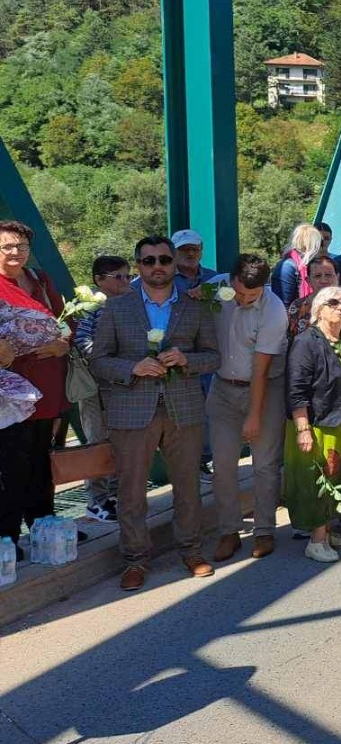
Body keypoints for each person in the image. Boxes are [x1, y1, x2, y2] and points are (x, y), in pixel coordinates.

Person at [90, 234, 220, 590]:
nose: (158, 266)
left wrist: (186, 359)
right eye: (149, 261)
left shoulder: (194, 305)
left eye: (164, 259)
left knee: (188, 486)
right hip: (132, 411)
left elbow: (213, 356)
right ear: (139, 266)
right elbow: (98, 360)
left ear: (174, 263)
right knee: (131, 491)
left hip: (184, 409)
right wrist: (132, 367)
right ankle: (135, 560)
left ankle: (191, 551)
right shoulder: (117, 307)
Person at [207, 254, 288, 564]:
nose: (242, 300)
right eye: (238, 293)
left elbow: (261, 369)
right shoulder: (215, 288)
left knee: (264, 463)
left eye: (251, 296)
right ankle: (228, 530)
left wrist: (254, 416)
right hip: (222, 388)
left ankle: (264, 530)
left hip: (264, 388)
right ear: (231, 280)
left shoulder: (274, 309)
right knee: (223, 464)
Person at [284, 286, 341, 563]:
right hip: (318, 424)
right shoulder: (307, 341)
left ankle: (328, 531)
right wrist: (303, 429)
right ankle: (316, 541)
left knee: (337, 478)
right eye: (333, 302)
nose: (340, 308)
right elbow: (296, 388)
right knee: (318, 480)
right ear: (318, 309)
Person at [0, 220, 71, 549]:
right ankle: (7, 538)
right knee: (11, 465)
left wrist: (62, 344)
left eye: (22, 246)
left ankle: (44, 528)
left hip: (48, 386)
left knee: (42, 461)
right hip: (9, 393)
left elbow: (66, 322)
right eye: (7, 246)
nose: (15, 252)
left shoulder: (39, 279)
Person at [74, 254, 133, 521]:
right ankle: (96, 500)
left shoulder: (130, 302)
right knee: (97, 439)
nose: (125, 281)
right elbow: (81, 339)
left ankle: (116, 494)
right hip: (96, 384)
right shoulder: (90, 306)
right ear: (99, 280)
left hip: (123, 382)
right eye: (118, 277)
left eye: (128, 276)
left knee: (122, 439)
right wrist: (106, 361)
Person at [287, 254, 340, 338]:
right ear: (308, 281)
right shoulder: (297, 307)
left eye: (328, 275)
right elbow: (290, 340)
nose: (323, 281)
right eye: (317, 276)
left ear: (337, 277)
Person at [271, 223, 324, 306]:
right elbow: (282, 304)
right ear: (312, 246)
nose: (322, 248)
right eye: (320, 244)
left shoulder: (309, 266)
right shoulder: (288, 267)